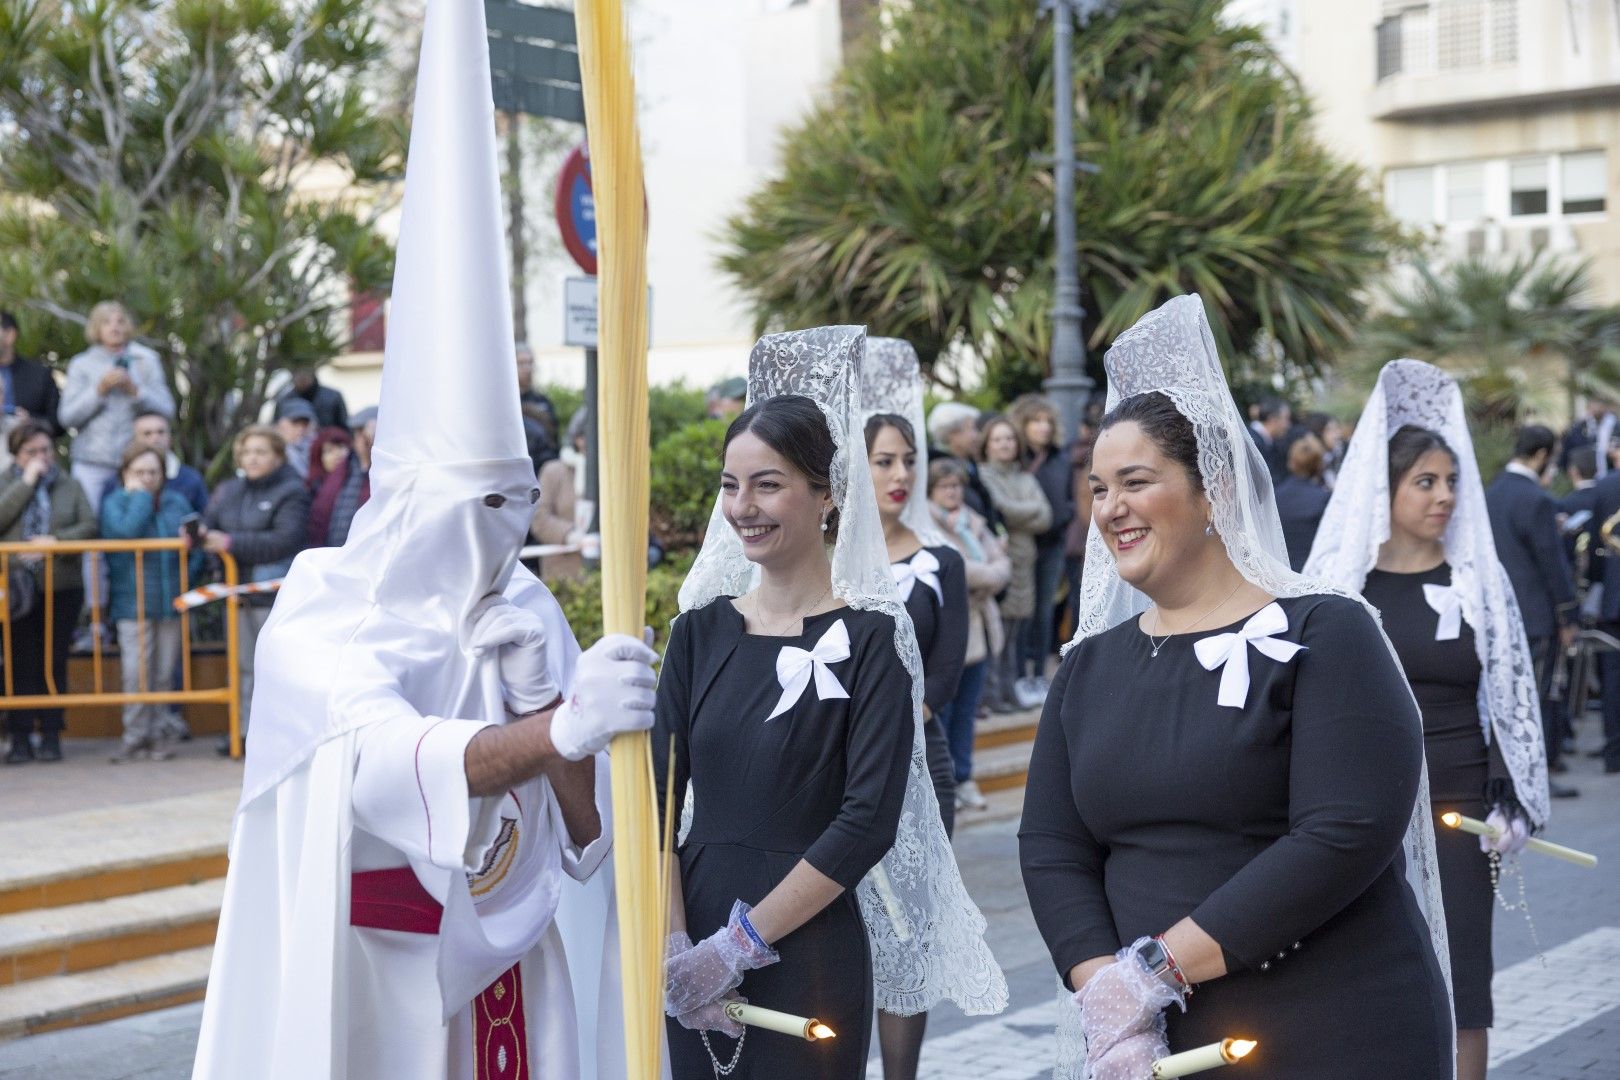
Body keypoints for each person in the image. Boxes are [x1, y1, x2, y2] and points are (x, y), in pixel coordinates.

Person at [191, 3, 658, 1075]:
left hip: (511, 957)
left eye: (512, 501)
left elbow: (587, 843)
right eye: (470, 504)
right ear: (401, 500)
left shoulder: (520, 603)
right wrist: (555, 729)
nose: (495, 530)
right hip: (373, 962)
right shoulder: (319, 613)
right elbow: (378, 765)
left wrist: (566, 714)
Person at [1019, 297, 1453, 1080]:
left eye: (1136, 481)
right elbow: (1052, 846)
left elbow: (1345, 831)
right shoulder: (1086, 665)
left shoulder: (1328, 632)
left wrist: (1154, 971)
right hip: (1151, 1042)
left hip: (1333, 1026)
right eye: (1099, 487)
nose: (1110, 508)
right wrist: (1108, 1000)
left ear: (1213, 489)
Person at [655, 328, 1005, 1079]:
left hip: (808, 942)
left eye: (768, 484)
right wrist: (679, 947)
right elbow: (657, 798)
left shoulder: (873, 639)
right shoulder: (697, 632)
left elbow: (866, 819)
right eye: (730, 485)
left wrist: (740, 946)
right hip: (693, 930)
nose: (743, 507)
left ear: (827, 494)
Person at [1306, 361, 1551, 1080]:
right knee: (1360, 970)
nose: (1444, 495)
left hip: (1459, 802)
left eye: (1450, 481)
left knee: (1464, 979)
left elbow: (1510, 696)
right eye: (1425, 482)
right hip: (1357, 807)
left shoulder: (1475, 579)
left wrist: (1513, 800)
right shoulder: (1339, 587)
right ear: (1385, 491)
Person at [862, 337, 972, 1080]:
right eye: (885, 461)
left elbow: (946, 673)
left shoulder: (942, 563)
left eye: (909, 460)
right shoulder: (825, 568)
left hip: (917, 764)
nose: (902, 474)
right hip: (828, 767)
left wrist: (897, 726)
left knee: (908, 933)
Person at [200, 425, 310, 751]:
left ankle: (276, 736)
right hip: (236, 594)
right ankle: (244, 732)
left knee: (274, 671)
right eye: (247, 452)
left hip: (272, 596)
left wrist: (231, 543)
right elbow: (212, 522)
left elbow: (284, 540)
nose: (253, 458)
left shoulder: (292, 492)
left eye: (261, 451)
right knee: (242, 667)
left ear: (278, 456)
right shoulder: (229, 490)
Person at [1484, 424, 1579, 793]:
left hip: (1499, 611)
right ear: (1541, 455)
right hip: (1536, 614)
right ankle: (1534, 777)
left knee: (1507, 699)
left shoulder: (1492, 493)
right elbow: (1552, 564)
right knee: (1536, 699)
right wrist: (1568, 613)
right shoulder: (1535, 499)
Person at [0, 421, 96, 764]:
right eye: (31, 452)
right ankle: (20, 736)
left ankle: (52, 734)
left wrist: (56, 543)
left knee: (53, 660)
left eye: (45, 450)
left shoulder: (69, 484)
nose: (41, 458)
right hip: (15, 590)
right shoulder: (7, 481)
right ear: (16, 454)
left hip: (62, 586)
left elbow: (88, 525)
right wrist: (26, 483)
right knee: (18, 662)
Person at [101, 442, 195, 763]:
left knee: (164, 673)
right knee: (135, 673)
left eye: (153, 471)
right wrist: (139, 497)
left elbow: (192, 548)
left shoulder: (176, 501)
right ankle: (134, 735)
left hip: (170, 601)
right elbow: (126, 531)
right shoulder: (115, 502)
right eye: (139, 472)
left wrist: (187, 579)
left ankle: (156, 735)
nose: (147, 477)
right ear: (125, 473)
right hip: (133, 602)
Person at [928, 458, 1008, 810]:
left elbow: (1002, 568)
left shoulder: (973, 521)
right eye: (945, 486)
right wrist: (985, 576)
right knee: (943, 712)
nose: (953, 491)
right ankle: (942, 779)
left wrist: (983, 577)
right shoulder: (927, 525)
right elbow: (959, 570)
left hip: (980, 630)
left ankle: (964, 777)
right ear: (931, 491)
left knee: (967, 712)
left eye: (957, 485)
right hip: (948, 635)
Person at [59, 301, 175, 513]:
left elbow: (167, 409)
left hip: (136, 462)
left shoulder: (146, 360)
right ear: (96, 328)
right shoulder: (81, 364)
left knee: (135, 520)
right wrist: (99, 391)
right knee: (90, 525)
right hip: (91, 461)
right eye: (106, 322)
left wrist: (135, 391)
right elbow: (67, 417)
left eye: (120, 321)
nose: (115, 327)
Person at [978, 414, 1052, 710]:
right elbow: (1001, 509)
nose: (1005, 444)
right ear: (986, 445)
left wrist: (1023, 512)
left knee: (1017, 632)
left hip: (1025, 562)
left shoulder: (1025, 477)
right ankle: (993, 694)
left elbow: (1046, 517)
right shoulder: (983, 475)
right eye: (997, 439)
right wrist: (1029, 510)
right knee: (997, 631)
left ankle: (1010, 689)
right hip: (999, 561)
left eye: (1009, 438)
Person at [1010, 394, 1075, 700]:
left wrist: (1063, 517)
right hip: (1021, 545)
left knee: (1045, 610)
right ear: (1023, 424)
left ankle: (1038, 675)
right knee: (1021, 611)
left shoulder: (1059, 457)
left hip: (1052, 545)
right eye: (1036, 421)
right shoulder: (1015, 459)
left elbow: (1069, 497)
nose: (1044, 427)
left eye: (1048, 421)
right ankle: (1019, 675)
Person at [531, 410, 588, 582]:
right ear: (579, 439)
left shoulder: (613, 475)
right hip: (562, 578)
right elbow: (539, 517)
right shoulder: (553, 471)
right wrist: (570, 534)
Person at [926, 401, 999, 528]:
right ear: (952, 434)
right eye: (972, 428)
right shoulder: (939, 469)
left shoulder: (969, 464)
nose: (977, 436)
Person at [305, 425, 371, 549]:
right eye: (329, 451)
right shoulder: (311, 488)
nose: (337, 454)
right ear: (319, 458)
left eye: (341, 447)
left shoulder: (357, 480)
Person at [131, 411, 208, 515]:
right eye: (147, 433)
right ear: (134, 440)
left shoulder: (191, 479)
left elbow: (204, 520)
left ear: (170, 437)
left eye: (161, 432)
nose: (155, 438)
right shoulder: (118, 481)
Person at [1273, 433, 1331, 571]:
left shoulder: (1275, 496)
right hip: (1313, 573)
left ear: (1291, 462)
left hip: (1279, 572)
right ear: (1319, 465)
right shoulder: (1323, 499)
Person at [0, 308, 62, 436]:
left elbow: (59, 423)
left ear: (10, 335)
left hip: (28, 448)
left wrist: (32, 422)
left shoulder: (39, 375)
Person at [516, 343, 560, 472]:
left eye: (530, 363)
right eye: (521, 363)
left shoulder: (543, 401)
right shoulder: (507, 404)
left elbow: (554, 440)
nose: (527, 368)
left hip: (543, 469)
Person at [276, 366, 349, 431]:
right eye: (297, 375)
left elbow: (344, 426)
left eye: (305, 374)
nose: (301, 378)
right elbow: (276, 425)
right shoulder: (285, 399)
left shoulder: (333, 396)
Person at [1248, 397, 1291, 484]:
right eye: (1286, 419)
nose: (1288, 425)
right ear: (1273, 420)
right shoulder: (1253, 443)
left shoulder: (1265, 441)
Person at [273, 396, 318, 479]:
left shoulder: (319, 450)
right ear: (281, 424)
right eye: (295, 423)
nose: (300, 429)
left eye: (305, 424)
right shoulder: (270, 449)